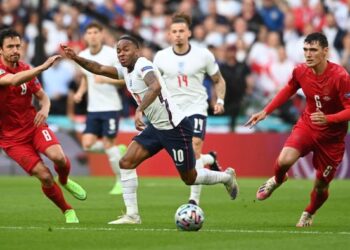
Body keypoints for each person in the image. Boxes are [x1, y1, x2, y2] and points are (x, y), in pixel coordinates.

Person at [61, 34, 239, 225]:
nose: (121, 54)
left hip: (175, 127)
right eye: (118, 51)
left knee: (190, 178)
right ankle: (132, 216)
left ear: (137, 51)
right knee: (126, 162)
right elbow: (100, 68)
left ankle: (226, 177)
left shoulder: (143, 64)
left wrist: (139, 109)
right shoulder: (126, 70)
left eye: (126, 49)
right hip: (156, 127)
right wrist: (76, 58)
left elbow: (154, 86)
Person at [245, 32, 350, 227]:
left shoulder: (341, 76)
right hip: (308, 126)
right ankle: (277, 179)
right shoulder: (300, 71)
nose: (308, 54)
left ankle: (309, 212)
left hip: (332, 138)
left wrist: (329, 119)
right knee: (284, 160)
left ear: (325, 51)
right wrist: (266, 111)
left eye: (313, 50)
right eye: (306, 50)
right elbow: (289, 89)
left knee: (321, 186)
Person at [0, 28, 87, 223]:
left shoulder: (25, 67)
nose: (15, 50)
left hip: (34, 125)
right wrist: (42, 67)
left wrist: (44, 109)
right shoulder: (10, 70)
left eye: (17, 46)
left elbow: (42, 97)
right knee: (45, 176)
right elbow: (13, 80)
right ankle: (67, 210)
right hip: (12, 139)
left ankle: (64, 180)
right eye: (10, 47)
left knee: (59, 158)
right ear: (0, 50)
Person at [153, 13, 231, 206]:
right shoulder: (161, 57)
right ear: (169, 34)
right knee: (185, 155)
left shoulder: (203, 55)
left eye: (181, 31)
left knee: (195, 147)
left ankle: (193, 200)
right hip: (172, 111)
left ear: (189, 32)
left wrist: (220, 100)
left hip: (196, 107)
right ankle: (209, 158)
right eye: (174, 31)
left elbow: (218, 80)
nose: (178, 35)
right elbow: (153, 84)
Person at [73, 22, 126, 195]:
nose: (93, 35)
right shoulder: (82, 55)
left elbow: (124, 80)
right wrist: (80, 92)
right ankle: (117, 151)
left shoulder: (111, 54)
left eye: (96, 32)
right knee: (87, 144)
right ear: (85, 36)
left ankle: (120, 181)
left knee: (108, 143)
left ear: (102, 35)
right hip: (93, 108)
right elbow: (86, 78)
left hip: (110, 107)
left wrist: (105, 79)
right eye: (89, 32)